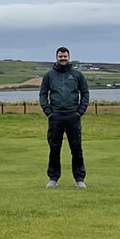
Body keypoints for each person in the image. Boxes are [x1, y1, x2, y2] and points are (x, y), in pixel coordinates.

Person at [39, 46, 89, 189]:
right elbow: (43, 94)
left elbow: (85, 93)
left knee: (76, 148)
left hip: (73, 116)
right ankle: (53, 178)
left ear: (68, 57)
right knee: (54, 148)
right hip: (55, 116)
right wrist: (48, 111)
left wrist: (80, 111)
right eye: (60, 56)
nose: (63, 59)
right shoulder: (49, 76)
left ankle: (79, 179)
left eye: (65, 56)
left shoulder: (77, 75)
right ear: (56, 57)